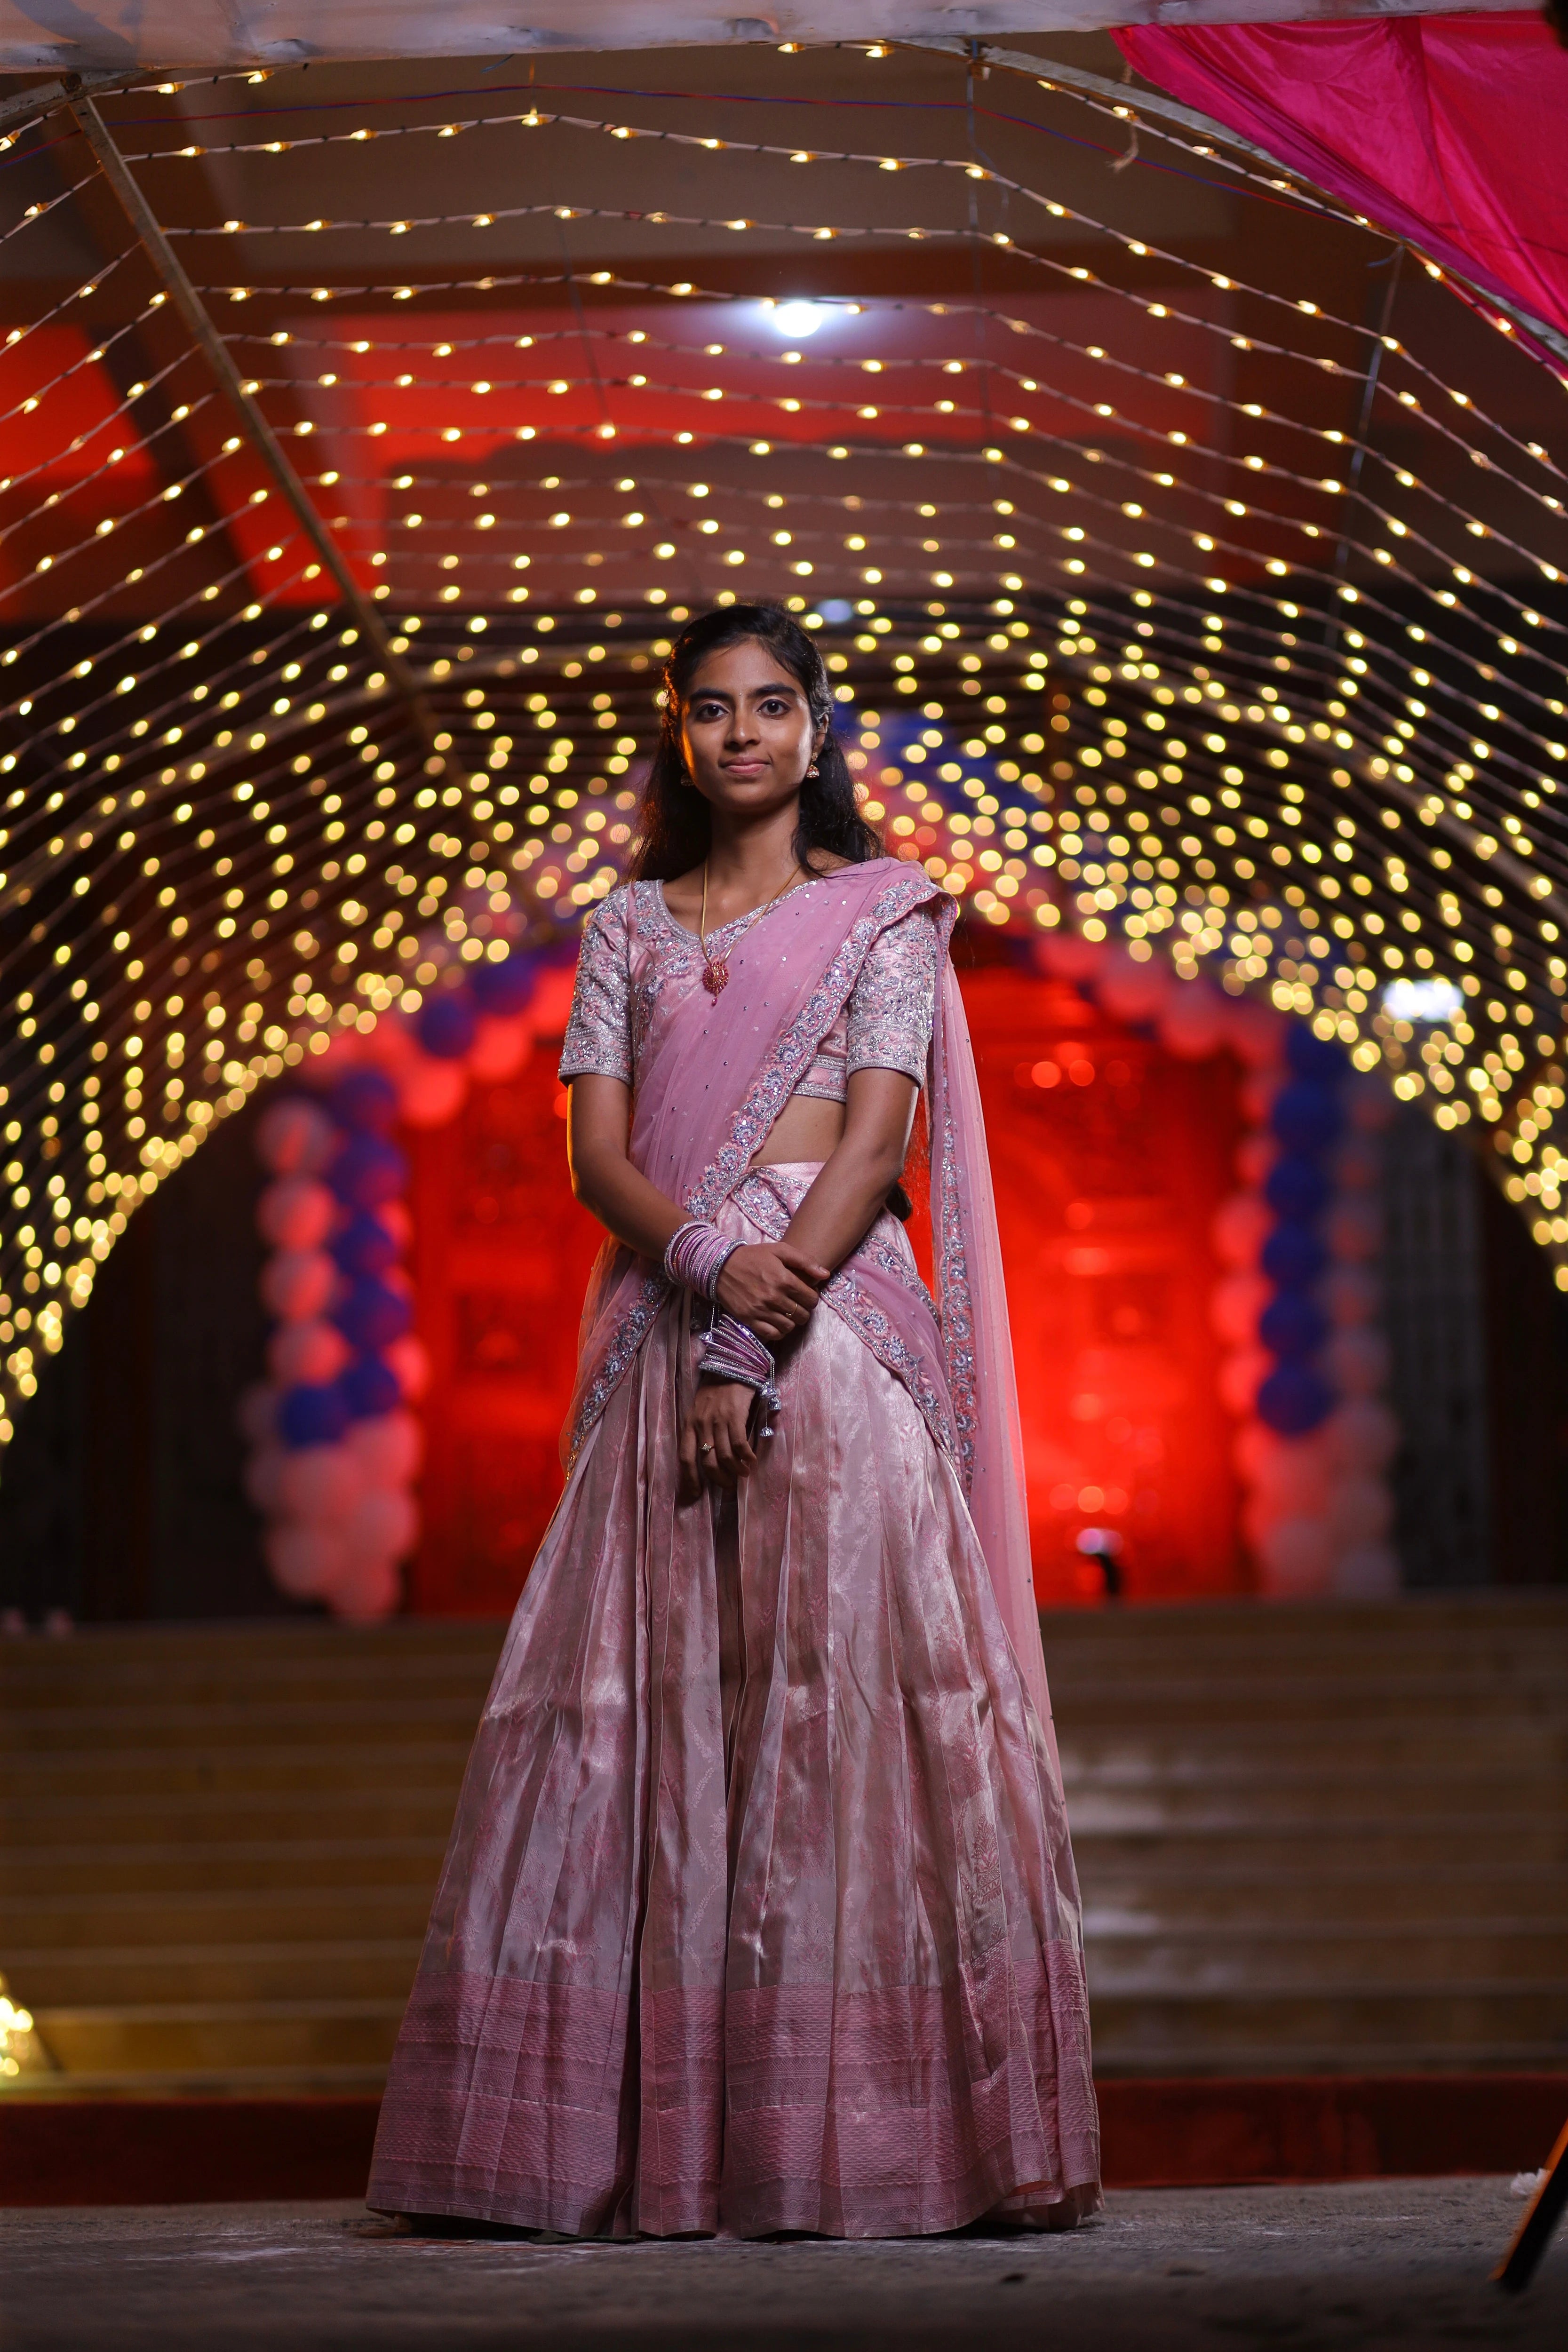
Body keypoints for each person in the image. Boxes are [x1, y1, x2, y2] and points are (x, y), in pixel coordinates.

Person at [368, 604, 1101, 2240]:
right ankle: (649, 2152)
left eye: (775, 706)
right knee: (660, 1721)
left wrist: (751, 1347)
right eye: (715, 710)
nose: (746, 734)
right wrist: (701, 1269)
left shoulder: (882, 917)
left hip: (830, 1341)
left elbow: (873, 1142)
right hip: (665, 1324)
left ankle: (858, 2142)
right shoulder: (625, 925)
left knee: (834, 1715)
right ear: (681, 737)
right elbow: (598, 1163)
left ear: (817, 730)